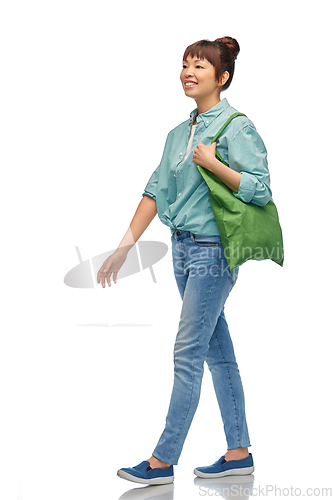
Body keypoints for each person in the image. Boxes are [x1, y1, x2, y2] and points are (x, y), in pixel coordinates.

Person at [97, 37, 272, 486]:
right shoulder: (177, 133)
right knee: (217, 352)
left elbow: (260, 189)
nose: (188, 71)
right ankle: (238, 453)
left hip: (214, 251)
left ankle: (162, 461)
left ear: (222, 77)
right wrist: (124, 247)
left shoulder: (237, 127)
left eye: (199, 65)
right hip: (181, 248)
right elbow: (155, 190)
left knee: (188, 352)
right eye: (184, 64)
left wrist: (216, 165)